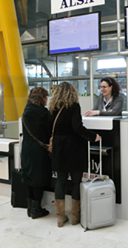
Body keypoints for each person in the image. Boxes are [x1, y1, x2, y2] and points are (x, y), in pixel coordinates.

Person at [49, 82, 100, 228]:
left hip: (58, 147)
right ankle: (75, 217)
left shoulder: (52, 108)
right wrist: (93, 136)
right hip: (74, 147)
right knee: (76, 181)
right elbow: (77, 127)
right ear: (72, 92)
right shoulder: (74, 106)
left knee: (61, 180)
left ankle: (60, 217)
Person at [20, 87, 52, 219]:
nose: (46, 100)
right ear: (41, 98)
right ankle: (36, 209)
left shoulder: (26, 110)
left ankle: (29, 207)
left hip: (27, 148)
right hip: (39, 150)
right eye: (45, 97)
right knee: (39, 178)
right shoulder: (43, 113)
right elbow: (50, 130)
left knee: (29, 177)